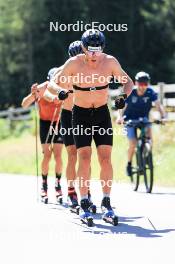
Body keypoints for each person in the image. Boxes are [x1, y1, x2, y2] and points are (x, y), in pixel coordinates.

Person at [45, 29, 133, 224]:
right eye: (90, 50)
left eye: (97, 50)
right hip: (81, 115)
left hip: (102, 114)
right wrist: (59, 91)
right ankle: (84, 202)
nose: (94, 55)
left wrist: (121, 97)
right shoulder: (73, 63)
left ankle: (107, 202)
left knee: (106, 159)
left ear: (103, 48)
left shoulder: (110, 61)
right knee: (84, 158)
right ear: (83, 48)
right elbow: (52, 83)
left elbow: (128, 83)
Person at [21, 72, 63, 204]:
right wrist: (33, 95)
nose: (54, 85)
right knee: (47, 155)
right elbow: (24, 104)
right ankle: (44, 185)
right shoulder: (41, 88)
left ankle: (57, 185)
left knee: (58, 155)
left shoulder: (62, 88)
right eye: (52, 82)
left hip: (57, 123)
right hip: (45, 124)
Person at [118, 71, 165, 176]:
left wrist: (163, 117)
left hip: (144, 119)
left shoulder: (150, 92)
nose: (142, 87)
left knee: (149, 139)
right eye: (140, 84)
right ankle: (129, 164)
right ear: (136, 83)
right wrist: (120, 118)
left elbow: (158, 105)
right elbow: (122, 106)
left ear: (147, 84)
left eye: (145, 84)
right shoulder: (131, 92)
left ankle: (146, 156)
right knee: (133, 143)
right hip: (129, 120)